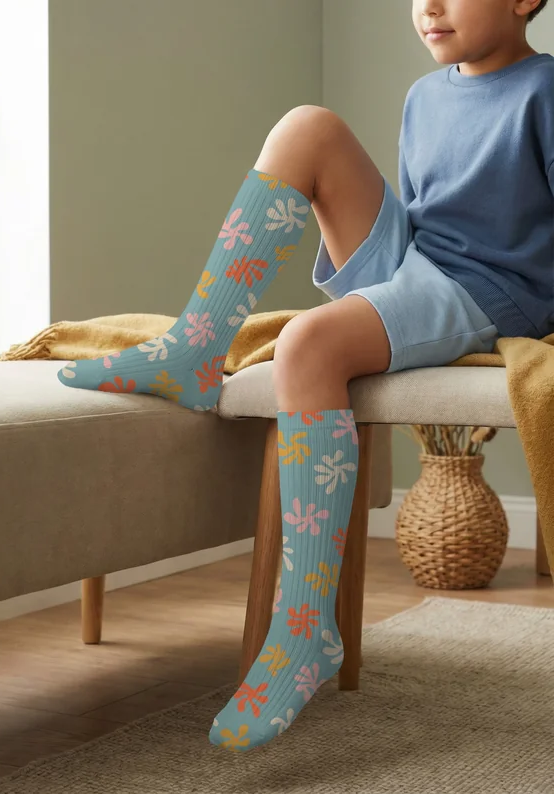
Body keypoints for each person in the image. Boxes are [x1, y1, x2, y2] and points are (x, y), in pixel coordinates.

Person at [58, 0, 553, 752]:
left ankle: (302, 629)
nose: (429, 6)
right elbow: (420, 220)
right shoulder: (425, 97)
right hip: (421, 262)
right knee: (306, 126)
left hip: (489, 291)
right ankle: (197, 346)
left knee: (308, 344)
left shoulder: (545, 93)